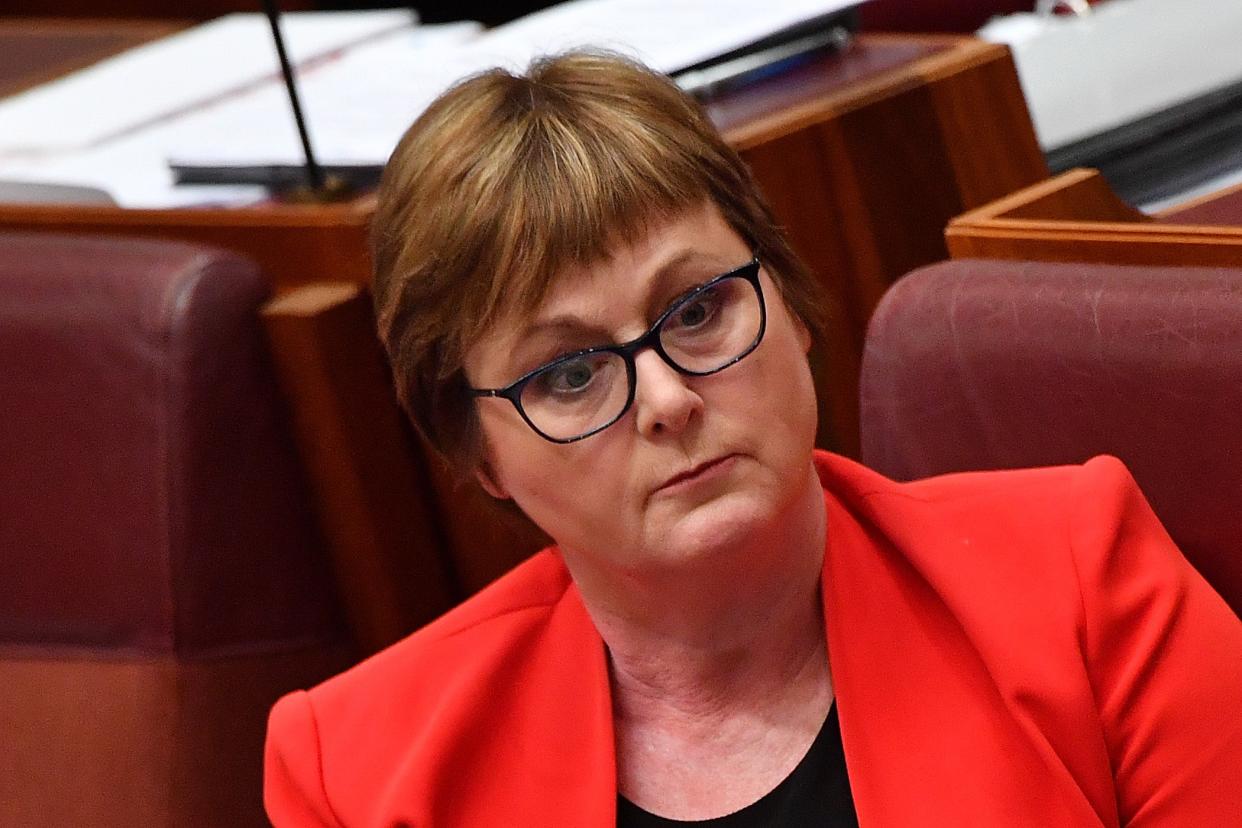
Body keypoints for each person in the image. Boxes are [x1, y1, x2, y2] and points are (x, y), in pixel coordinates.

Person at [263, 51, 1242, 827]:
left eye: (696, 311)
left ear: (793, 303)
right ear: (479, 457)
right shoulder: (357, 775)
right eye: (569, 374)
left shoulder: (1079, 585)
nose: (666, 399)